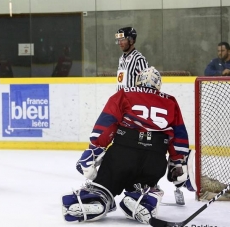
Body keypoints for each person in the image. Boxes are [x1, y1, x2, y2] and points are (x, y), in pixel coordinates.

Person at [61, 67, 196, 224]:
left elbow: (107, 123)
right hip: (155, 158)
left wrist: (94, 149)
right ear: (158, 84)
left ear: (138, 81)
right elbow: (178, 135)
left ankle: (98, 198)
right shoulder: (170, 101)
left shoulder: (125, 93)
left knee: (104, 185)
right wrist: (178, 162)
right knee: (144, 185)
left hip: (123, 153)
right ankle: (142, 198)